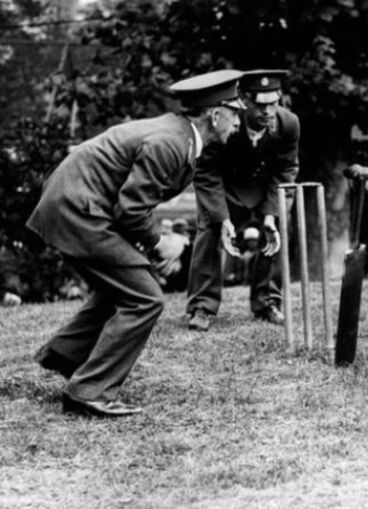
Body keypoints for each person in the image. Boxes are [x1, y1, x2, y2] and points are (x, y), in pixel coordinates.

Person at [27, 69, 244, 417]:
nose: (238, 121)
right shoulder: (171, 143)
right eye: (235, 112)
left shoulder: (179, 137)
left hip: (76, 204)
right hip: (78, 209)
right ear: (215, 114)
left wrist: (146, 246)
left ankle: (66, 355)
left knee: (122, 287)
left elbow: (127, 203)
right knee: (145, 298)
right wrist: (161, 242)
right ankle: (88, 390)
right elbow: (131, 210)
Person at [186, 69, 300, 331]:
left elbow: (286, 171)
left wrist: (272, 215)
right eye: (260, 105)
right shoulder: (224, 123)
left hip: (264, 191)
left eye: (273, 103)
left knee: (278, 231)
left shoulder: (289, 124)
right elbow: (205, 171)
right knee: (210, 230)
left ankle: (268, 301)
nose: (268, 111)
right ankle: (202, 306)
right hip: (225, 190)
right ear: (244, 102)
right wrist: (222, 218)